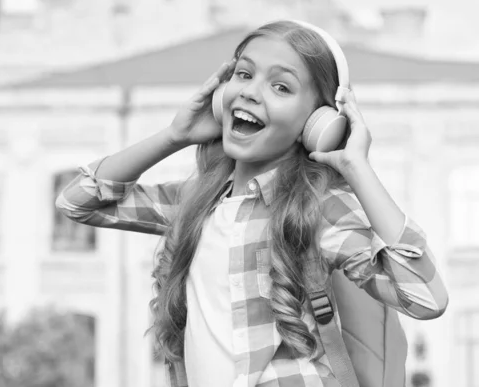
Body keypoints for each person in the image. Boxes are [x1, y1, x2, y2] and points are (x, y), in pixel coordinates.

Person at [56, 20, 449, 387]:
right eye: (243, 74)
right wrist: (174, 136)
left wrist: (357, 167)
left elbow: (425, 297)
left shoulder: (319, 209)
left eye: (281, 87)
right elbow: (79, 200)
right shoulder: (195, 203)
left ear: (317, 125)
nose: (249, 91)